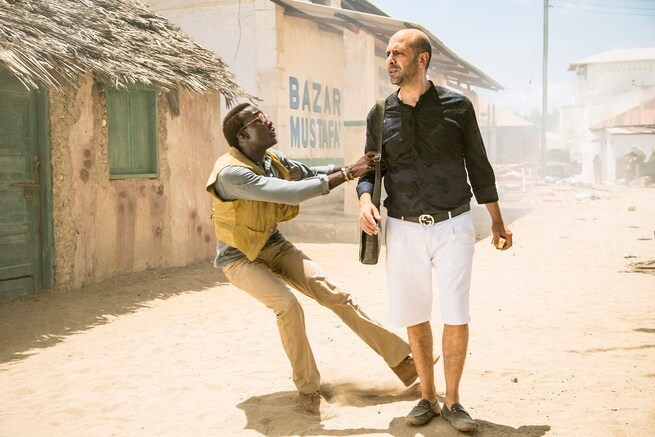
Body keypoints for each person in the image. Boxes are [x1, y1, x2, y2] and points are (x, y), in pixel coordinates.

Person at [206, 103, 420, 419]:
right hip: (239, 258)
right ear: (244, 134)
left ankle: (401, 361)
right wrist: (350, 172)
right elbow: (290, 193)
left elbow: (309, 173)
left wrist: (355, 167)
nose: (268, 120)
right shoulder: (231, 174)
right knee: (287, 305)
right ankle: (308, 388)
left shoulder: (269, 160)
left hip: (272, 244)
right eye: (260, 119)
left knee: (334, 294)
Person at [357, 29, 513, 431]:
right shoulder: (379, 113)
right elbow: (369, 170)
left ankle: (454, 401)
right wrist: (364, 200)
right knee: (414, 313)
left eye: (399, 53)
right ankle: (427, 397)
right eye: (388, 53)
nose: (390, 59)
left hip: (454, 225)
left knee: (456, 312)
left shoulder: (457, 107)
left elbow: (479, 165)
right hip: (403, 227)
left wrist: (496, 219)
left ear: (422, 60)